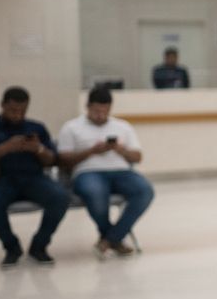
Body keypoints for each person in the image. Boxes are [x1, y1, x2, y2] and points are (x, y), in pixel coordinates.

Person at [57, 86, 155, 258]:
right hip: (88, 172)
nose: (100, 115)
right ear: (87, 106)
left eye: (105, 111)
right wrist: (91, 151)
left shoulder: (122, 126)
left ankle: (109, 239)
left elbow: (137, 157)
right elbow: (63, 160)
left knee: (145, 190)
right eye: (96, 111)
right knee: (96, 193)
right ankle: (114, 240)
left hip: (121, 171)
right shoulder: (71, 127)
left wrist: (119, 149)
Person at [0, 87, 67, 267]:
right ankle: (11, 246)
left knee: (60, 197)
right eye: (13, 110)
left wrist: (39, 150)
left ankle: (39, 245)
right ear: (2, 105)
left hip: (33, 178)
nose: (18, 115)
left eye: (22, 111)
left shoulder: (36, 128)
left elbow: (52, 161)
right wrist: (6, 147)